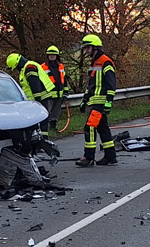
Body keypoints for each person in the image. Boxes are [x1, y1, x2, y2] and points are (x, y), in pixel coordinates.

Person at [76, 34, 117, 167]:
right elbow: (91, 85)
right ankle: (110, 156)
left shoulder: (106, 62)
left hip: (100, 102)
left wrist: (108, 102)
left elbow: (111, 84)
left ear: (95, 48)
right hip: (94, 102)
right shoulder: (94, 63)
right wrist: (84, 99)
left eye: (88, 48)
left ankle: (88, 157)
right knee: (102, 128)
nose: (86, 51)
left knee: (90, 127)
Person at [6, 52, 58, 137]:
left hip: (40, 98)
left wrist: (38, 101)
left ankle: (43, 140)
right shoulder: (28, 66)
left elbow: (35, 85)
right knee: (41, 121)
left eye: (15, 68)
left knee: (42, 121)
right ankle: (42, 139)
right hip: (39, 98)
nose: (16, 70)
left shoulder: (29, 68)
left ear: (17, 64)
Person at [41, 45, 68, 129]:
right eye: (50, 55)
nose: (52, 57)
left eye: (54, 55)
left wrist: (65, 92)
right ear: (48, 56)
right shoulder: (43, 67)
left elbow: (64, 79)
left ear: (57, 56)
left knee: (56, 113)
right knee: (47, 112)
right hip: (48, 94)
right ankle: (45, 128)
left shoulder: (61, 66)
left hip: (59, 94)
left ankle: (53, 127)